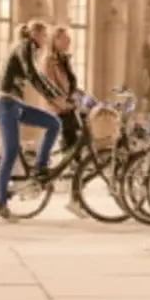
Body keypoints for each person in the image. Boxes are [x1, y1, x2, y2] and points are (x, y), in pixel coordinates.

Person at [0, 20, 67, 222]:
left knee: (53, 123)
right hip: (5, 104)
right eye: (44, 36)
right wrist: (54, 98)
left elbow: (38, 76)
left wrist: (57, 95)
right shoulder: (25, 46)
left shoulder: (29, 49)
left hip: (15, 105)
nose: (45, 40)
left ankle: (40, 166)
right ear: (35, 34)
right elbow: (33, 75)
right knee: (11, 152)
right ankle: (0, 204)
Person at [40, 25, 85, 219]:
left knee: (76, 156)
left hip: (69, 110)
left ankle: (75, 198)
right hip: (59, 111)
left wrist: (84, 99)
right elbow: (50, 89)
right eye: (65, 39)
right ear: (55, 41)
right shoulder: (49, 61)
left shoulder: (64, 61)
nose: (69, 42)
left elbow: (72, 86)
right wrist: (65, 104)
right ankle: (75, 200)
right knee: (75, 157)